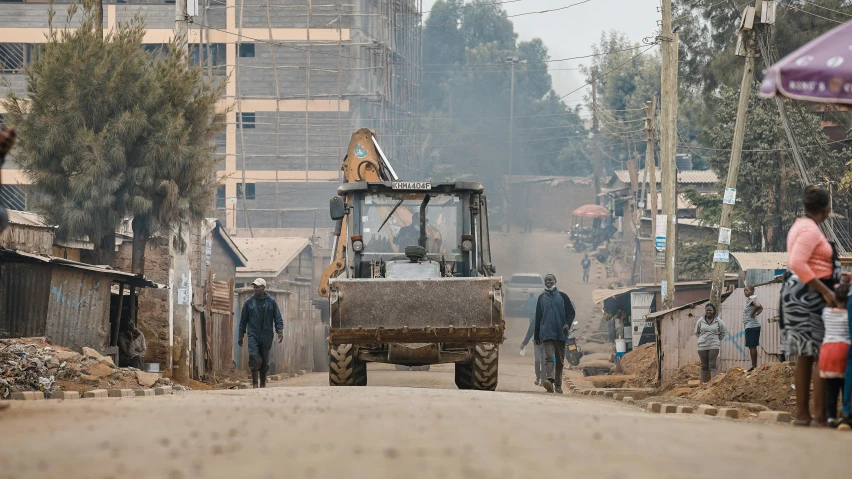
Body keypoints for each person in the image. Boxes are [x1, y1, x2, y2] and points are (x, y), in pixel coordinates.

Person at [782, 185, 838, 427]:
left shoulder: (800, 225)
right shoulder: (811, 231)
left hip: (801, 293)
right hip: (809, 295)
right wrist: (826, 291)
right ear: (826, 210)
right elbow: (797, 262)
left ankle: (805, 415)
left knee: (806, 355)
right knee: (819, 353)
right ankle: (819, 415)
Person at [533, 274, 576, 394]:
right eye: (546, 280)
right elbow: (538, 317)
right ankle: (549, 380)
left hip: (561, 333)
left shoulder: (563, 297)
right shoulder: (541, 298)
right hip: (547, 333)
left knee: (560, 361)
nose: (548, 282)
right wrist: (537, 336)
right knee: (549, 357)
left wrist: (567, 323)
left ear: (555, 281)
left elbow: (571, 312)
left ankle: (558, 385)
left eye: (550, 280)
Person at [238, 278, 284, 388]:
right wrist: (241, 335)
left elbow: (277, 318)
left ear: (263, 287)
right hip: (253, 334)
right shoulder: (249, 303)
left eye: (257, 287)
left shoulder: (271, 302)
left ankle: (262, 384)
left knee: (264, 359)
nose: (255, 289)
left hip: (267, 334)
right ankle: (254, 384)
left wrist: (280, 331)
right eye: (254, 286)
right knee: (254, 357)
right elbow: (243, 320)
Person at [819, 284, 850, 428]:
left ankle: (831, 419)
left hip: (827, 351)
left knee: (831, 389)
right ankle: (845, 416)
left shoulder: (826, 313)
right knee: (845, 387)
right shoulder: (848, 315)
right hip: (844, 350)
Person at [695, 303, 727, 383]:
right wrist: (703, 339)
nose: (708, 311)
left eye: (710, 310)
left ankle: (712, 384)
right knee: (704, 366)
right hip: (702, 346)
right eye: (707, 310)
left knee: (712, 365)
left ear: (713, 311)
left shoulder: (718, 321)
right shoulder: (700, 321)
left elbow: (723, 332)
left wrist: (716, 339)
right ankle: (703, 384)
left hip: (714, 346)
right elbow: (697, 332)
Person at [520, 292, 544, 386]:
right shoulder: (536, 318)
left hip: (547, 341)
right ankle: (538, 377)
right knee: (537, 360)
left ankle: (543, 379)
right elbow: (530, 331)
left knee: (544, 361)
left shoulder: (551, 317)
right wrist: (524, 343)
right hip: (537, 342)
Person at [742, 285, 764, 372]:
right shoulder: (750, 300)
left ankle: (754, 366)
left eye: (747, 290)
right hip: (751, 326)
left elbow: (758, 306)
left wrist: (753, 313)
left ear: (752, 291)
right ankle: (753, 366)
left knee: (752, 346)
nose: (745, 292)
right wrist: (756, 314)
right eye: (744, 290)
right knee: (751, 346)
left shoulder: (752, 299)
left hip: (752, 326)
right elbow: (761, 307)